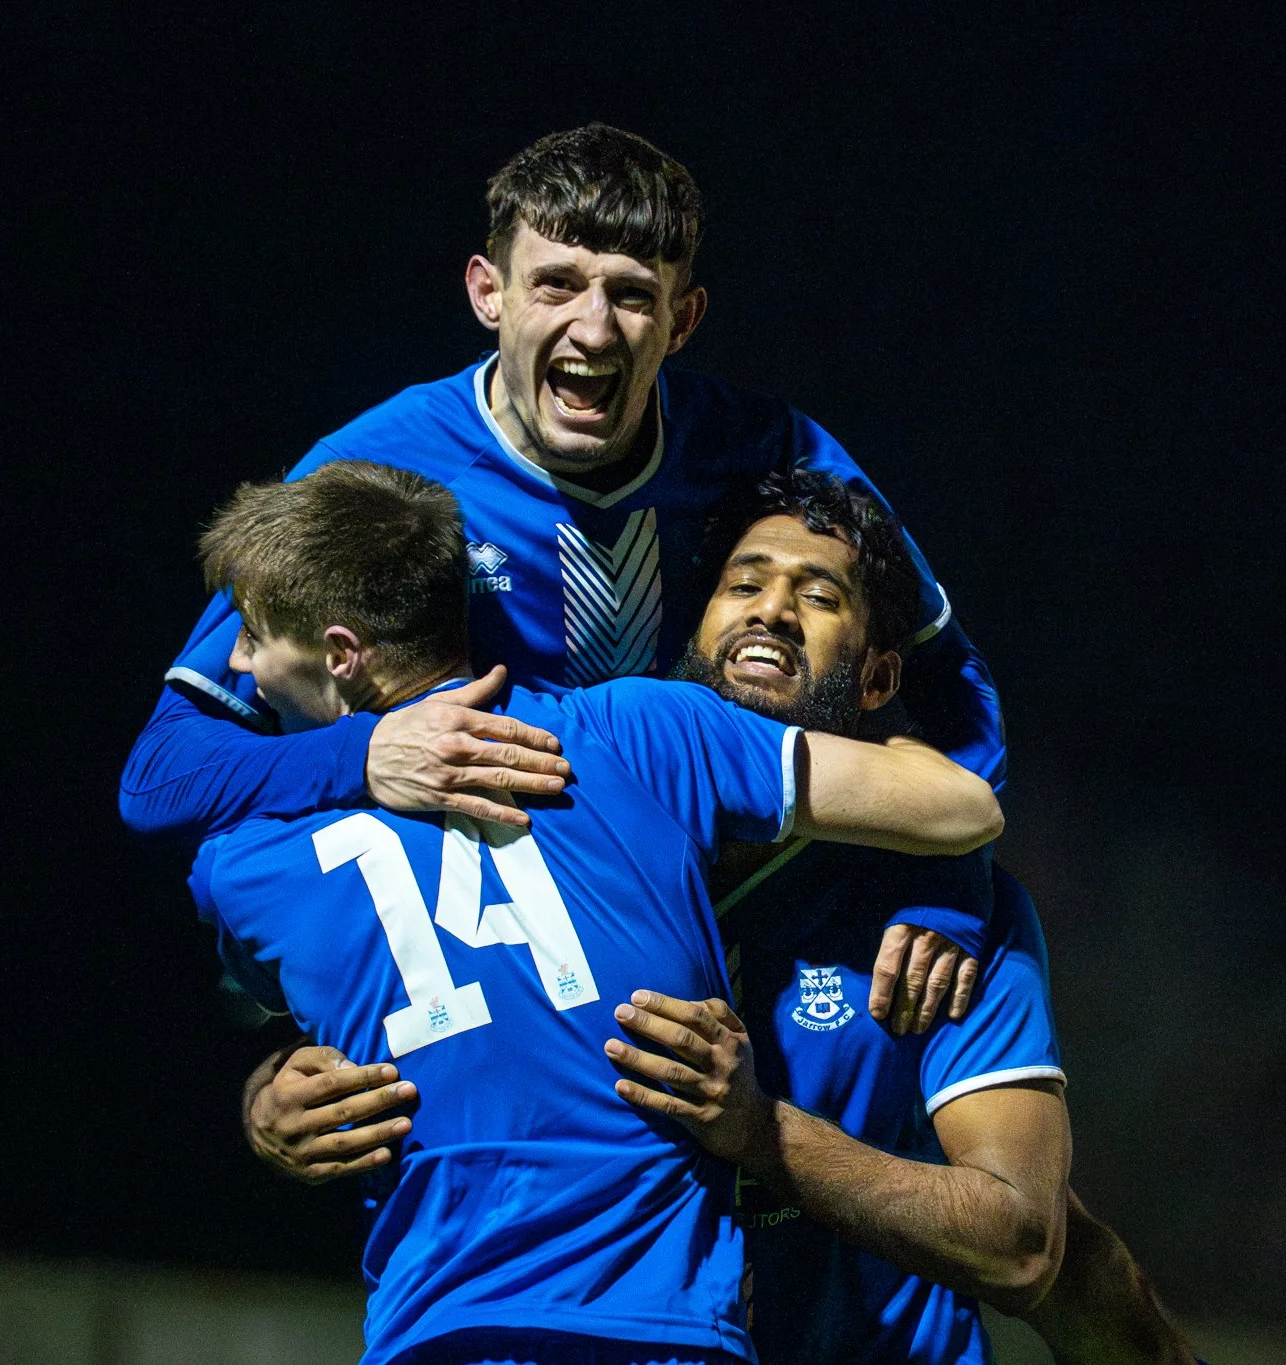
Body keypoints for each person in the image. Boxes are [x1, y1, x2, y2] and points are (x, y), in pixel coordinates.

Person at [249, 469, 1197, 1365]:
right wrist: (268, 1099)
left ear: (877, 681)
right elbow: (407, 1000)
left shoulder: (941, 926)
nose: (772, 610)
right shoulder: (562, 816)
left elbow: (1026, 1247)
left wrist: (762, 1130)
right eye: (743, 583)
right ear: (689, 635)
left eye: (819, 597)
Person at [119, 123, 1002, 1023]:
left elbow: (951, 686)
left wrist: (950, 888)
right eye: (556, 284)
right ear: (487, 292)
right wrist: (364, 755)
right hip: (485, 971)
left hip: (733, 912)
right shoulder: (372, 475)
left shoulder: (772, 449)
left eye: (632, 295)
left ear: (684, 319)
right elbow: (164, 768)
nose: (594, 327)